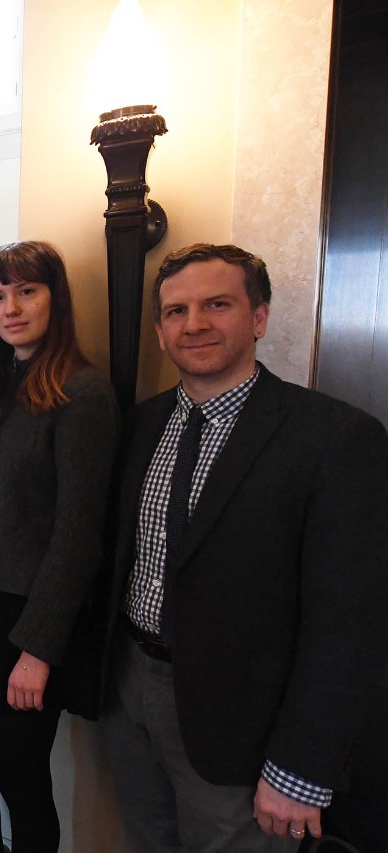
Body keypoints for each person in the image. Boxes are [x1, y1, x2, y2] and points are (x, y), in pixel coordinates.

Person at [101, 243, 388, 852]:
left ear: (258, 317)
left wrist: (303, 767)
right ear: (159, 330)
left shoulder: (336, 439)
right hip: (129, 694)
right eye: (176, 311)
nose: (195, 324)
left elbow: (350, 625)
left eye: (218, 304)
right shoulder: (140, 426)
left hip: (245, 723)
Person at [0, 241, 117, 853]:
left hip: (30, 615)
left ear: (54, 299)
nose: (10, 307)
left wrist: (38, 648)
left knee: (20, 772)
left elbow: (78, 535)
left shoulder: (83, 392)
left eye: (27, 291)